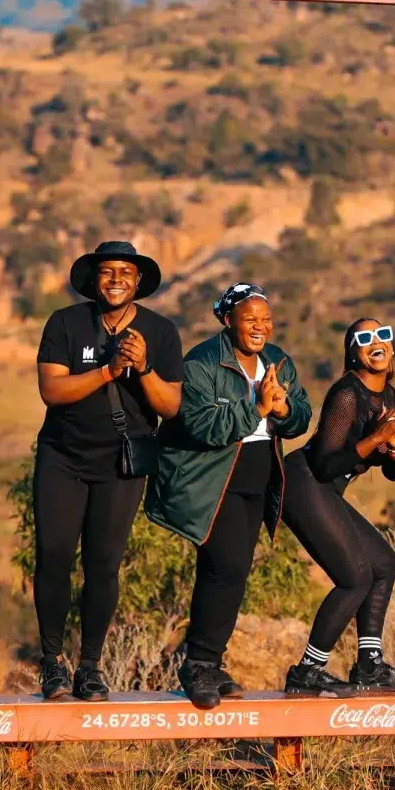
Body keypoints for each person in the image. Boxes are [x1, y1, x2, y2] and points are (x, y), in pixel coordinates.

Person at [146, 283, 312, 710]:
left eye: (266, 319)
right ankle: (198, 665)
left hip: (258, 477)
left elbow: (302, 416)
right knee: (224, 566)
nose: (260, 326)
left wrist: (284, 410)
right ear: (227, 320)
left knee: (234, 572)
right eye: (249, 318)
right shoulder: (202, 363)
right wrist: (257, 408)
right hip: (214, 478)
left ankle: (210, 663)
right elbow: (203, 426)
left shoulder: (277, 361)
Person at [32, 241, 185, 702]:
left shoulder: (160, 331)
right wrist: (108, 370)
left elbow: (170, 407)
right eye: (107, 271)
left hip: (121, 463)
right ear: (93, 279)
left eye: (125, 272)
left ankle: (90, 667)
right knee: (54, 557)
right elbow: (52, 391)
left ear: (138, 282)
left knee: (103, 564)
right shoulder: (65, 323)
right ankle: (52, 663)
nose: (116, 279)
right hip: (62, 458)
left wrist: (142, 368)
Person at [280, 317, 395, 696]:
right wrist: (375, 438)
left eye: (383, 335)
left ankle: (369, 665)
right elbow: (325, 464)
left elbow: (394, 472)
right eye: (365, 337)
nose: (376, 341)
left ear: (392, 349)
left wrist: (394, 444)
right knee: (354, 577)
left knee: (383, 563)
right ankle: (307, 671)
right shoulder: (346, 394)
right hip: (303, 483)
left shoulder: (392, 398)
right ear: (353, 352)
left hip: (325, 490)